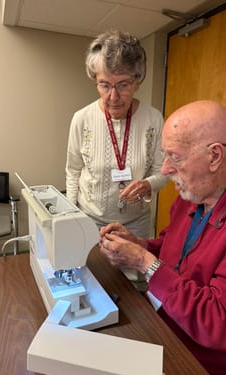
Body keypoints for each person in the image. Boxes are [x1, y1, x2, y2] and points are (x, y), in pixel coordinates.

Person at [99, 100, 226, 375]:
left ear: (214, 156)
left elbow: (219, 322)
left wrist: (145, 263)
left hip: (218, 374)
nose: (164, 169)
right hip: (171, 333)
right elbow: (173, 250)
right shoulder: (197, 189)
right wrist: (141, 246)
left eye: (175, 157)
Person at [65, 29, 168, 239]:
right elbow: (73, 171)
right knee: (91, 271)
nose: (113, 96)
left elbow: (163, 171)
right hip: (88, 220)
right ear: (96, 81)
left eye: (122, 85)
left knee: (131, 271)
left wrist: (147, 184)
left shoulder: (154, 119)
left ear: (137, 82)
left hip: (136, 224)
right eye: (104, 85)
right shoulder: (82, 119)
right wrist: (71, 214)